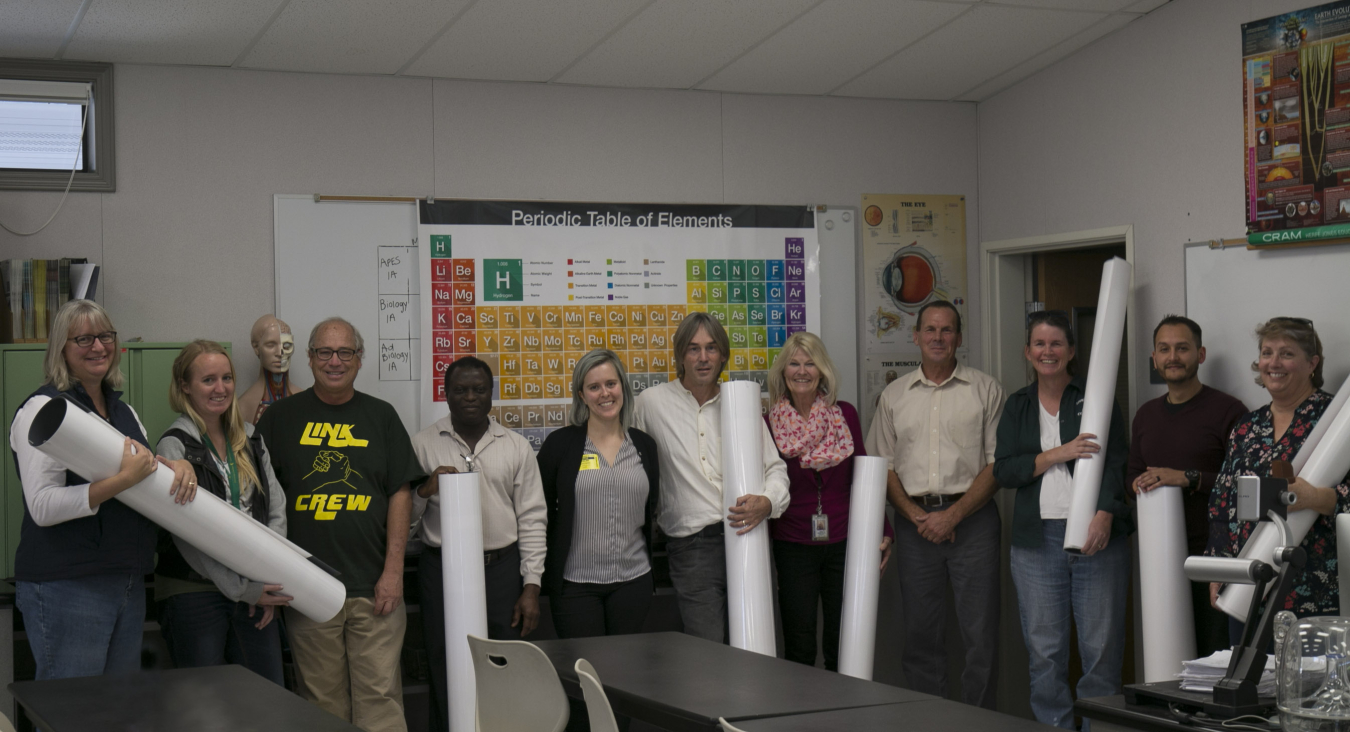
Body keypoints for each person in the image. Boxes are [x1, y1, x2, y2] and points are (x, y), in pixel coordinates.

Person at [8, 299, 195, 680]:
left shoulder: (123, 412)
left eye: (105, 336)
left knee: (116, 712)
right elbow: (42, 506)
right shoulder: (42, 410)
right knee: (73, 713)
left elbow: (143, 473)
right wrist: (120, 482)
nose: (99, 347)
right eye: (84, 339)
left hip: (125, 579)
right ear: (61, 348)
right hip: (67, 585)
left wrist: (175, 465)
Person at [255, 317, 418, 732]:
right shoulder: (279, 419)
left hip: (374, 588)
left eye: (345, 352)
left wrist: (394, 572)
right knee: (321, 705)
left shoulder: (382, 416)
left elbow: (401, 492)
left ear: (359, 360)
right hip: (308, 587)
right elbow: (258, 496)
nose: (334, 361)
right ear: (309, 359)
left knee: (379, 701)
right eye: (324, 352)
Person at [993, 309, 1132, 730]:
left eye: (1056, 343)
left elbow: (1118, 462)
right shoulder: (1017, 404)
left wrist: (1106, 513)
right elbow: (1004, 471)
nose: (1047, 351)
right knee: (1045, 655)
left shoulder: (1098, 396)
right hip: (1037, 543)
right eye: (1039, 343)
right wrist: (1058, 453)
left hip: (1097, 538)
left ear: (1072, 351)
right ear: (1027, 352)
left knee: (1101, 654)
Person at [866, 301, 1004, 707]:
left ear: (959, 338)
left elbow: (999, 465)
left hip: (973, 523)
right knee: (920, 636)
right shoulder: (894, 396)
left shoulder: (986, 390)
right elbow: (881, 467)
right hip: (913, 527)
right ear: (916, 336)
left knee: (980, 637)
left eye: (947, 331)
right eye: (930, 330)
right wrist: (916, 515)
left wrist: (953, 515)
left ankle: (980, 722)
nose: (938, 338)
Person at [634, 311, 790, 643]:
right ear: (680, 355)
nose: (703, 358)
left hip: (749, 535)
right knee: (708, 649)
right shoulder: (651, 404)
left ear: (722, 354)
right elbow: (631, 465)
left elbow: (775, 469)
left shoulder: (741, 403)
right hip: (692, 546)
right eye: (693, 349)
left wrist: (768, 501)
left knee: (754, 644)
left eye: (711, 348)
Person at [410, 356, 546, 732]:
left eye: (479, 390)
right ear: (446, 395)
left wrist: (531, 585)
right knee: (444, 662)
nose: (470, 397)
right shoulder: (422, 445)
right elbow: (404, 523)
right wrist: (425, 489)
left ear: (491, 395)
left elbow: (533, 520)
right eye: (460, 390)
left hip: (501, 571)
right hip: (441, 570)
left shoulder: (516, 446)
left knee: (504, 663)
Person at [154, 339, 292, 684]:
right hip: (195, 591)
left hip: (253, 587)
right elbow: (188, 536)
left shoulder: (250, 437)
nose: (221, 388)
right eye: (208, 380)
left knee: (267, 698)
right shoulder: (174, 445)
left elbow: (276, 509)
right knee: (207, 707)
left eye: (227, 378)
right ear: (185, 386)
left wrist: (265, 581)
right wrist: (243, 589)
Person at [537, 349, 660, 732]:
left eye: (611, 383)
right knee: (582, 688)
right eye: (594, 387)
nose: (604, 393)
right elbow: (541, 513)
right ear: (581, 394)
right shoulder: (561, 445)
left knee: (623, 687)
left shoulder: (645, 445)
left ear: (623, 386)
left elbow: (652, 509)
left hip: (633, 583)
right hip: (576, 587)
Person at [1205, 317, 1350, 638]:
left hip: (1312, 586)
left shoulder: (1337, 425)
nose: (1273, 363)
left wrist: (1318, 498)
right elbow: (1222, 502)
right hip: (1247, 584)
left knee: (1307, 683)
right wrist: (1219, 567)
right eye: (1267, 352)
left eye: (1286, 353)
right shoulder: (1246, 426)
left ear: (1312, 363)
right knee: (1249, 683)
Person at [766, 332, 892, 672]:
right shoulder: (767, 423)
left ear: (822, 371)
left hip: (844, 543)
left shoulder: (844, 415)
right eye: (794, 363)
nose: (802, 371)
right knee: (799, 645)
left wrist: (884, 531)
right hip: (792, 544)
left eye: (811, 363)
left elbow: (864, 474)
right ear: (783, 371)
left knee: (843, 645)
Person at [1127, 316, 1246, 657]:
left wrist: (1186, 477)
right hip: (1160, 557)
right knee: (1168, 659)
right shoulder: (1146, 415)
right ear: (1154, 357)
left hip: (1215, 558)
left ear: (1201, 354)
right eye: (1164, 349)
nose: (1173, 357)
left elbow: (1245, 484)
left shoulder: (1229, 411)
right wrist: (1141, 482)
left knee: (1215, 657)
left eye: (1182, 348)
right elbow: (1131, 475)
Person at [238, 314, 296, 424]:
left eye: (286, 345)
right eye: (271, 345)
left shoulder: (305, 400)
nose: (280, 353)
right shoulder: (242, 406)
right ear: (256, 348)